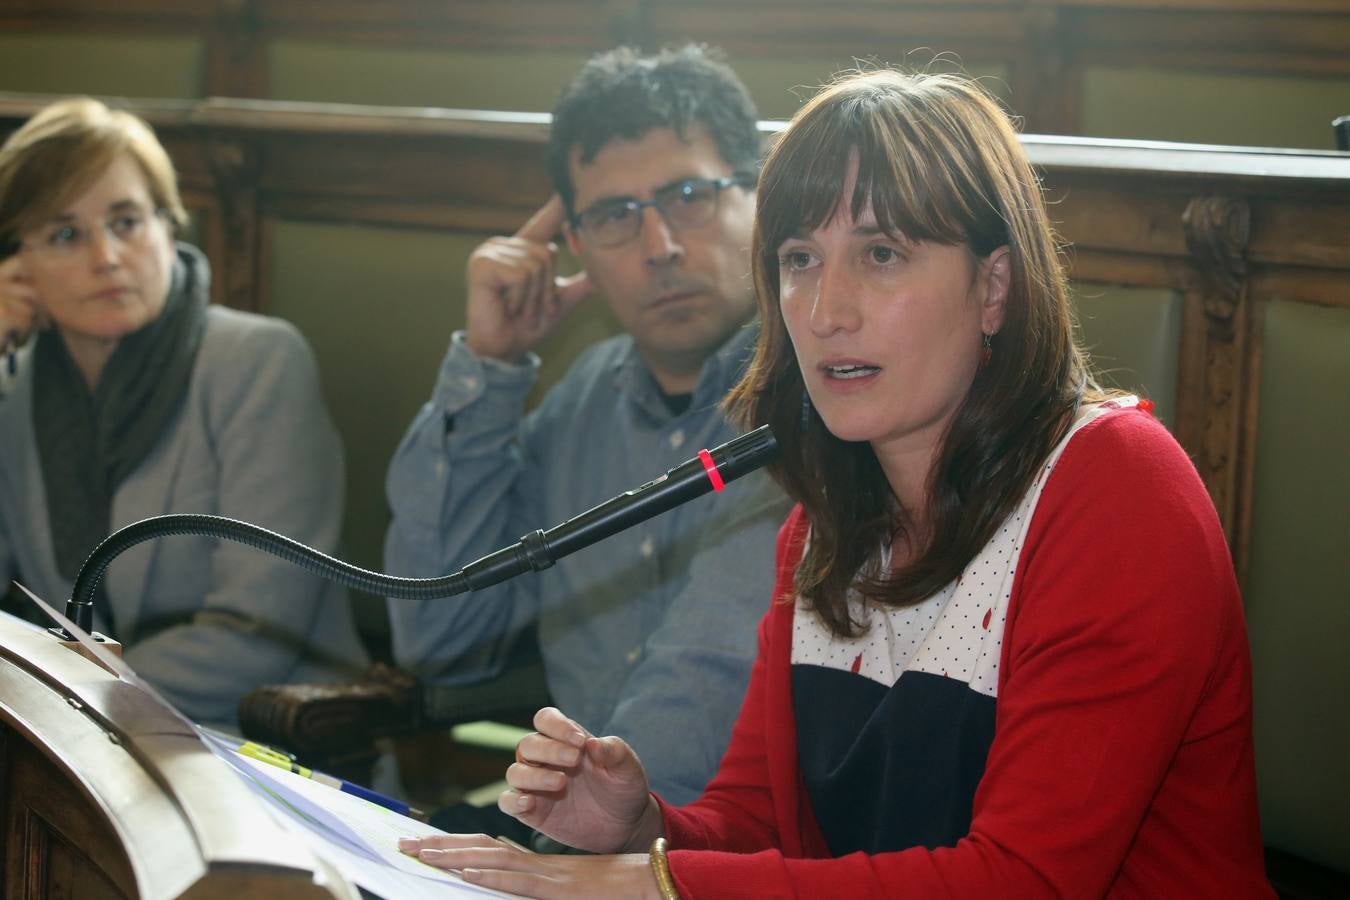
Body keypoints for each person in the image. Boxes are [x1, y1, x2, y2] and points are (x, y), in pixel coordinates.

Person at [397, 69, 1274, 897]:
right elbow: (757, 823)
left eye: (883, 253)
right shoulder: (823, 521)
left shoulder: (1115, 487)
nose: (826, 312)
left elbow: (1023, 880)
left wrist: (658, 883)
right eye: (800, 260)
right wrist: (641, 828)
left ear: (994, 287)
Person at [383, 43, 789, 835]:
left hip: (710, 856)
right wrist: (490, 370)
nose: (659, 246)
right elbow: (438, 639)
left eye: (689, 195)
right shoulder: (581, 398)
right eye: (613, 217)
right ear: (570, 240)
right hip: (561, 842)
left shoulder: (823, 399)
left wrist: (548, 857)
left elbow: (695, 701)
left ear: (760, 199)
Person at [0, 98, 368, 728]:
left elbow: (255, 631)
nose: (107, 257)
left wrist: (67, 712)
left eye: (126, 221)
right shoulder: (16, 389)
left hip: (259, 752)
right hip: (76, 756)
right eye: (66, 234)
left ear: (168, 227)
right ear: (17, 266)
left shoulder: (259, 361)